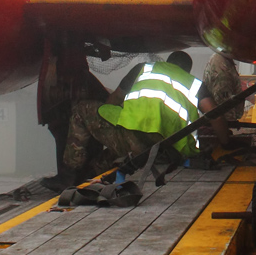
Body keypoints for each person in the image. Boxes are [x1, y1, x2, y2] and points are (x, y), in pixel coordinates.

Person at [45, 51, 227, 191]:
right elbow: (216, 115)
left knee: (82, 110)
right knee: (116, 150)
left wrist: (108, 121)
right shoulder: (195, 84)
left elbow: (115, 99)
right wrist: (226, 143)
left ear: (168, 63)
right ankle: (90, 173)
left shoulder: (145, 69)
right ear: (187, 69)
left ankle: (69, 175)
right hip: (167, 153)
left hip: (133, 142)